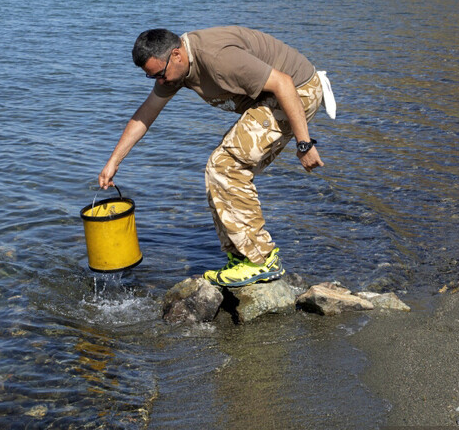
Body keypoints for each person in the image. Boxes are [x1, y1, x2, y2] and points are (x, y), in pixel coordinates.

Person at [98, 26, 334, 287]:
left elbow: (283, 82)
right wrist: (113, 162)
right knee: (220, 170)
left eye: (160, 74)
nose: (160, 82)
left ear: (176, 55)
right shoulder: (175, 70)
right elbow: (146, 113)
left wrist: (304, 144)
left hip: (298, 91)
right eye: (151, 77)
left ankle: (261, 261)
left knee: (225, 167)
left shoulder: (216, 58)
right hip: (270, 98)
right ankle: (241, 257)